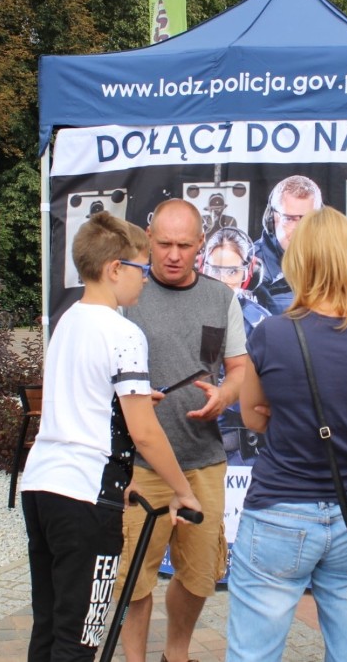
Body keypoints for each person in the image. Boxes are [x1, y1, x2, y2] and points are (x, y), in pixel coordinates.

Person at [227, 206, 347, 661]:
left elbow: (251, 417)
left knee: (253, 653)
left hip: (279, 512)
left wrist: (290, 415)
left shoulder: (271, 334)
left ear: (299, 261)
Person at [20, 211, 202, 661]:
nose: (145, 280)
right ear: (114, 268)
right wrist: (183, 491)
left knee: (49, 624)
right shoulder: (123, 332)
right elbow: (145, 433)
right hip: (82, 497)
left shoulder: (69, 320)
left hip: (42, 486)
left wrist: (126, 469)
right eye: (140, 269)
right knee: (81, 637)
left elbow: (87, 404)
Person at [116, 199, 247, 662]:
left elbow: (237, 369)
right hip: (141, 463)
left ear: (200, 246)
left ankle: (177, 654)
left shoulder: (220, 297)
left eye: (184, 245)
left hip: (203, 462)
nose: (173, 254)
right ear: (148, 240)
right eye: (164, 243)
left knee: (199, 576)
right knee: (133, 578)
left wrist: (225, 396)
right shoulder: (125, 294)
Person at [200, 227, 271, 464]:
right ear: (202, 267)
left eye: (232, 271)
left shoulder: (260, 323)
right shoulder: (185, 314)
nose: (222, 281)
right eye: (214, 270)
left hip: (244, 458)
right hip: (189, 450)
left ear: (248, 273)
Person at [253, 175, 323, 314]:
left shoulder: (335, 263)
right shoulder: (247, 267)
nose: (299, 230)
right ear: (271, 219)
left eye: (308, 219)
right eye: (289, 219)